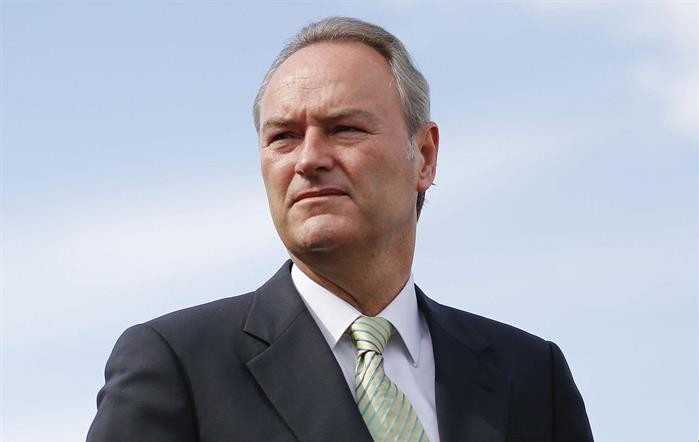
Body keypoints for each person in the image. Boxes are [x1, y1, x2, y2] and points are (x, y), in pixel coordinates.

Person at [87, 17, 593, 442]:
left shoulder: (532, 376)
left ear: (424, 156)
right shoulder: (177, 364)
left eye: (344, 129)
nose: (308, 159)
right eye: (283, 137)